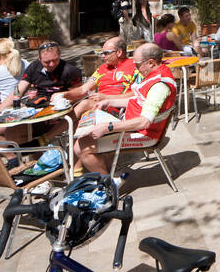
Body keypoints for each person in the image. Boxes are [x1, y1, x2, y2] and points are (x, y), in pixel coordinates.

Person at [74, 43, 177, 180]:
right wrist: (109, 102)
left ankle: (108, 185)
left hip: (145, 135)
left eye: (137, 64)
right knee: (84, 140)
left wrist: (108, 127)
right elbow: (138, 100)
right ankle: (107, 174)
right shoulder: (155, 74)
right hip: (133, 126)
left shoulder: (159, 86)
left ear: (151, 62)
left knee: (81, 148)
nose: (135, 68)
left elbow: (144, 122)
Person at [63, 37, 137, 122]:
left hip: (119, 109)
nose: (102, 56)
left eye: (106, 53)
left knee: (84, 104)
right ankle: (57, 134)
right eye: (102, 53)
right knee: (80, 113)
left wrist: (107, 97)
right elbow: (83, 89)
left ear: (119, 52)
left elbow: (138, 93)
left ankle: (50, 135)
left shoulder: (135, 67)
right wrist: (64, 94)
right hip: (99, 106)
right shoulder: (102, 69)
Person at [6, 41, 83, 106]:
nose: (51, 64)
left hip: (62, 105)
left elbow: (79, 94)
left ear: (59, 55)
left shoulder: (70, 70)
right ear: (39, 59)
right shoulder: (34, 67)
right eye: (47, 62)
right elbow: (18, 92)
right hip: (39, 104)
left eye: (55, 60)